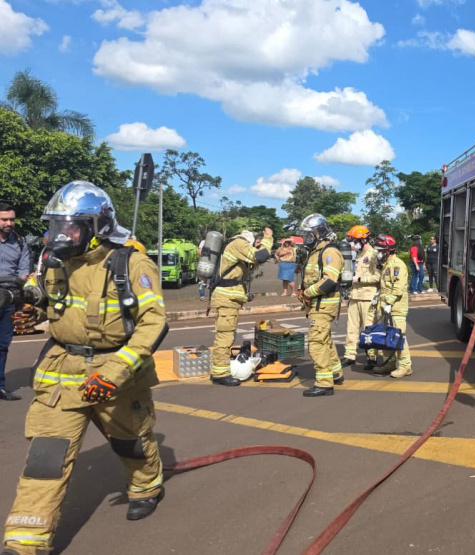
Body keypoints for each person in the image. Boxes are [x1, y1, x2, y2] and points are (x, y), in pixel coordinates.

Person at [2, 182, 168, 555]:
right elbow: (47, 298)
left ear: (97, 227)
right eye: (57, 226)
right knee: (46, 455)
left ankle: (146, 486)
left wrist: (114, 374)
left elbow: (153, 323)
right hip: (63, 371)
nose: (60, 235)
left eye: (70, 226)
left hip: (116, 374)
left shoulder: (131, 262)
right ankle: (26, 541)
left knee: (132, 442)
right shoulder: (55, 259)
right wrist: (20, 295)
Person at [209, 227, 273, 386]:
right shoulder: (239, 243)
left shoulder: (234, 245)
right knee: (225, 335)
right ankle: (220, 373)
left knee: (227, 333)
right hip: (227, 298)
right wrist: (268, 239)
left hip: (229, 297)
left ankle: (220, 369)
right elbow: (260, 256)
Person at [298, 214, 344, 397]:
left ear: (319, 233)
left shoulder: (329, 252)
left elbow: (330, 281)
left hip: (324, 305)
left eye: (309, 234)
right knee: (325, 340)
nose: (306, 238)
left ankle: (324, 383)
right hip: (317, 304)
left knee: (316, 343)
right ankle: (335, 373)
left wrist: (308, 293)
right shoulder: (316, 252)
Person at [0, 202, 30, 401]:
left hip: (8, 300)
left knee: (2, 345)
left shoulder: (19, 242)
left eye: (11, 219)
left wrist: (22, 279)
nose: (9, 223)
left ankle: (0, 386)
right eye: (4, 219)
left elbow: (23, 271)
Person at [373, 234, 412, 379]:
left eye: (380, 250)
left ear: (388, 251)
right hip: (384, 307)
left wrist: (389, 302)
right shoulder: (386, 265)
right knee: (386, 337)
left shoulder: (398, 265)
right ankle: (389, 363)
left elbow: (398, 287)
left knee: (398, 337)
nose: (378, 253)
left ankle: (405, 366)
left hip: (395, 308)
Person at [341, 225, 379, 368]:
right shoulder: (359, 255)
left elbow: (378, 276)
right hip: (355, 296)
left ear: (363, 240)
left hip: (368, 297)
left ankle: (372, 357)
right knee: (351, 328)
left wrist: (360, 279)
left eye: (354, 240)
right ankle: (349, 355)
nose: (352, 244)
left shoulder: (373, 255)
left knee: (369, 329)